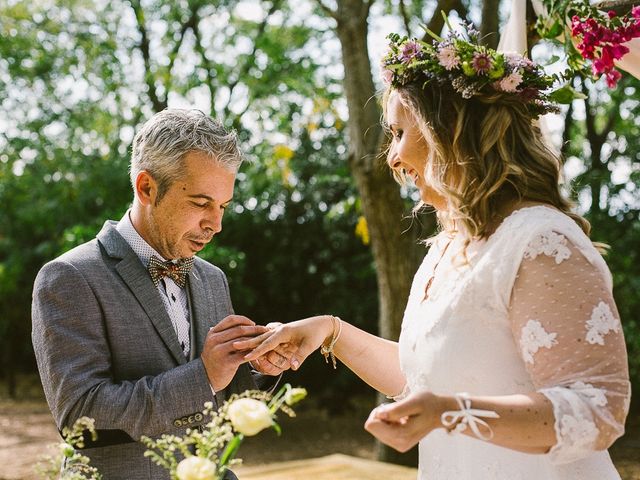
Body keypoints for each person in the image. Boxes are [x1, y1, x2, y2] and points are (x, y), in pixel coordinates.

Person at [237, 25, 632, 480]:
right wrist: (330, 332)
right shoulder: (450, 247)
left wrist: (450, 414)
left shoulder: (541, 240)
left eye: (401, 131)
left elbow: (597, 408)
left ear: (450, 132)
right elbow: (426, 380)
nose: (392, 157)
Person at [32, 109, 287, 479]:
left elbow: (219, 407)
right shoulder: (69, 277)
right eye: (201, 203)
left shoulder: (213, 279)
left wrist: (256, 367)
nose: (215, 224)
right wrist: (205, 376)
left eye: (222, 207)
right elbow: (80, 419)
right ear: (147, 187)